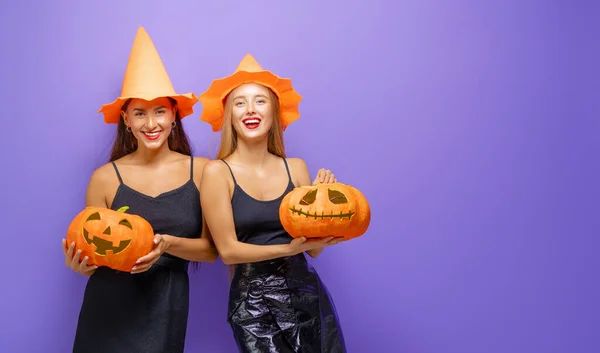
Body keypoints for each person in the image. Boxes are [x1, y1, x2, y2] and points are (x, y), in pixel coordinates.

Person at [61, 27, 218, 353]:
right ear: (126, 120)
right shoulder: (104, 178)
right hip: (106, 313)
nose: (151, 124)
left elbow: (212, 250)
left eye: (160, 111)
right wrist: (80, 264)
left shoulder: (202, 171)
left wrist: (168, 244)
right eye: (139, 113)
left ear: (174, 115)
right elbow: (94, 248)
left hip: (166, 308)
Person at [199, 54, 347, 352]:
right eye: (240, 103)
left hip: (306, 292)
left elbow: (315, 249)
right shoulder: (217, 172)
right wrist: (289, 249)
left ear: (274, 112)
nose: (250, 109)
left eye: (260, 101)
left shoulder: (296, 168)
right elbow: (227, 252)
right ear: (229, 115)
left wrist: (323, 206)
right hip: (252, 303)